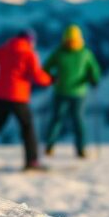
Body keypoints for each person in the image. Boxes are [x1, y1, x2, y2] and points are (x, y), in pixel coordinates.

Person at [0, 29, 52, 170]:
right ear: (31, 41)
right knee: (27, 127)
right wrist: (51, 79)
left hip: (0, 95)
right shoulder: (29, 53)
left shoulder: (4, 48)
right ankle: (31, 162)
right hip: (18, 97)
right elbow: (38, 76)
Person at [43, 25, 101, 159]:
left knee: (78, 121)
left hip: (78, 93)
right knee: (57, 119)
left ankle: (80, 149)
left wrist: (94, 78)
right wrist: (50, 77)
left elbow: (94, 69)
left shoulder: (85, 54)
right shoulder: (59, 52)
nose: (71, 43)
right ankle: (49, 146)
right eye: (69, 41)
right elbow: (46, 67)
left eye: (73, 41)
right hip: (60, 92)